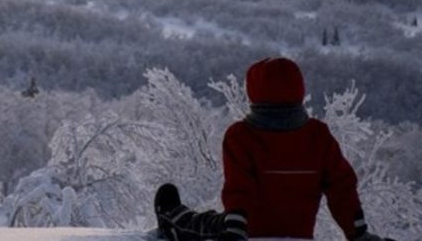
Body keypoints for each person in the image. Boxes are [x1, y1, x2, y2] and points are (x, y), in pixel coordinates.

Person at [154, 57, 392, 241]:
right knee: (219, 221)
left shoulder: (241, 136)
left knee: (209, 224)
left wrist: (236, 229)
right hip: (299, 235)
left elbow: (239, 189)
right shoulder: (318, 136)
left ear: (254, 93)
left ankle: (174, 220)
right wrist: (358, 233)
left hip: (246, 232)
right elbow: (342, 189)